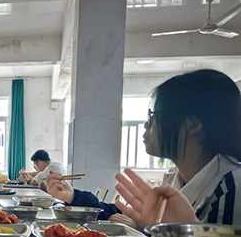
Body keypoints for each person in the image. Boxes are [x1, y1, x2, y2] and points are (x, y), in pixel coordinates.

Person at [47, 69, 241, 224]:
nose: (147, 124)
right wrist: (73, 196)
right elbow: (125, 214)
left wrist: (148, 232)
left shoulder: (231, 189)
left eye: (155, 115)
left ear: (193, 125)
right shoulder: (177, 179)